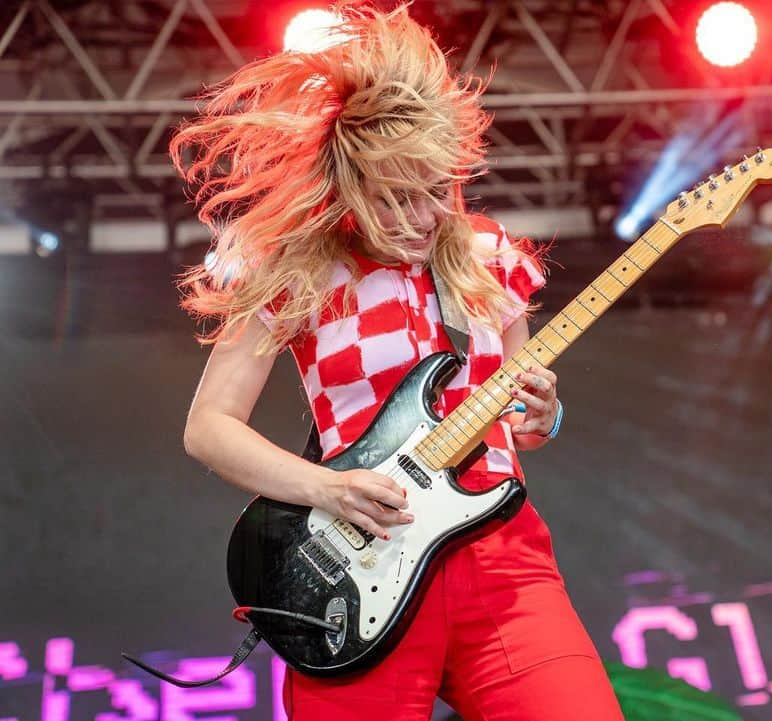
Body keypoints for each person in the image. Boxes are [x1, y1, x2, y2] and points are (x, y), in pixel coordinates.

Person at [173, 3, 625, 720]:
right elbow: (208, 427)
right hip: (359, 569)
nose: (422, 215)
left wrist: (546, 414)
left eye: (435, 190)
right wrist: (327, 488)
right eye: (396, 196)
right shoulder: (293, 270)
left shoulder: (487, 256)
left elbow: (521, 426)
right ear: (350, 185)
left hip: (500, 564)